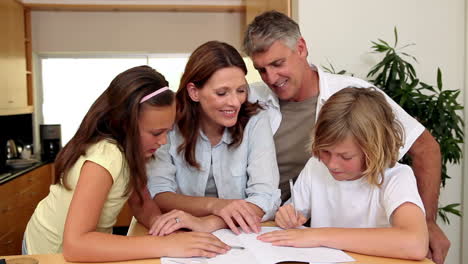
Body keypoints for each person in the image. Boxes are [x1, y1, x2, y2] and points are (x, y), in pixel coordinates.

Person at [243, 10, 449, 264]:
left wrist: (426, 222)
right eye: (261, 69)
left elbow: (425, 148)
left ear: (301, 48)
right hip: (281, 230)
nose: (271, 78)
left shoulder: (357, 98)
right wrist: (291, 217)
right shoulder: (248, 100)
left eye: (277, 64)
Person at [23, 66, 230, 262]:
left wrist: (166, 230)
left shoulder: (132, 150)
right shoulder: (106, 157)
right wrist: (166, 244)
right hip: (50, 253)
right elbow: (75, 245)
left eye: (167, 131)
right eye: (156, 133)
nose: (164, 141)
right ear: (125, 124)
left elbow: (142, 203)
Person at [258, 87, 429, 260]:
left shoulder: (396, 177)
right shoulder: (316, 167)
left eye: (345, 156)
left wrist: (319, 236)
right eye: (325, 152)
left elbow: (415, 243)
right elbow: (293, 216)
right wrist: (286, 217)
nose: (332, 164)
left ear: (373, 150)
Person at [144, 41, 281, 236]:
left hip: (240, 235)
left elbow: (264, 196)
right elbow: (159, 193)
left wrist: (211, 223)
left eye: (241, 91)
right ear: (194, 92)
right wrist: (216, 205)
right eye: (222, 93)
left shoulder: (256, 120)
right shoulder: (169, 123)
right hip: (180, 232)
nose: (235, 102)